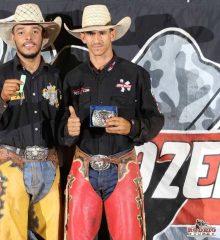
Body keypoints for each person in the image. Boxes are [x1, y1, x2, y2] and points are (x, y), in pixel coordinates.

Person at [59, 4, 164, 240]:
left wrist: (132, 127)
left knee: (130, 236)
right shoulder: (72, 78)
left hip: (123, 165)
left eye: (102, 32)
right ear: (83, 37)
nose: (97, 39)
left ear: (112, 34)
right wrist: (68, 129)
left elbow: (155, 119)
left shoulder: (135, 74)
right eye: (91, 33)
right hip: (83, 165)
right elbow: (60, 126)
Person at [0, 4, 62, 240]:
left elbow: (65, 128)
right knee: (6, 236)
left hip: (49, 165)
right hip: (10, 165)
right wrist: (2, 99)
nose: (28, 38)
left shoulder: (58, 77)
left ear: (43, 36)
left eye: (34, 31)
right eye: (21, 31)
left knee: (52, 235)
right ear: (13, 37)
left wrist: (72, 130)